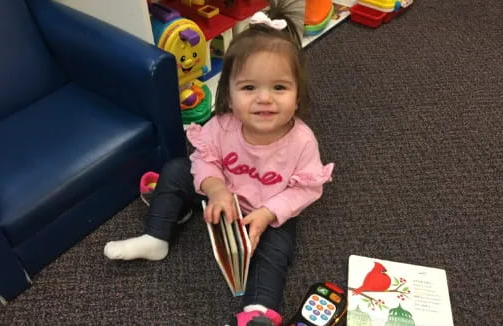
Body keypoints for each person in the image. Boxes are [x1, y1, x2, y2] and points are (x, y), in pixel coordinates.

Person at [103, 5, 334, 326]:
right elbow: (205, 159)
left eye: (279, 87)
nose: (264, 99)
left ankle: (258, 309)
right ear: (228, 93)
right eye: (249, 87)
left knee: (276, 251)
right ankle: (156, 237)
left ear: (297, 96)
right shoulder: (223, 125)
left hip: (265, 211)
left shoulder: (302, 141)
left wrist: (268, 214)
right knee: (175, 170)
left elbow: (306, 187)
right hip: (218, 198)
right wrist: (216, 189)